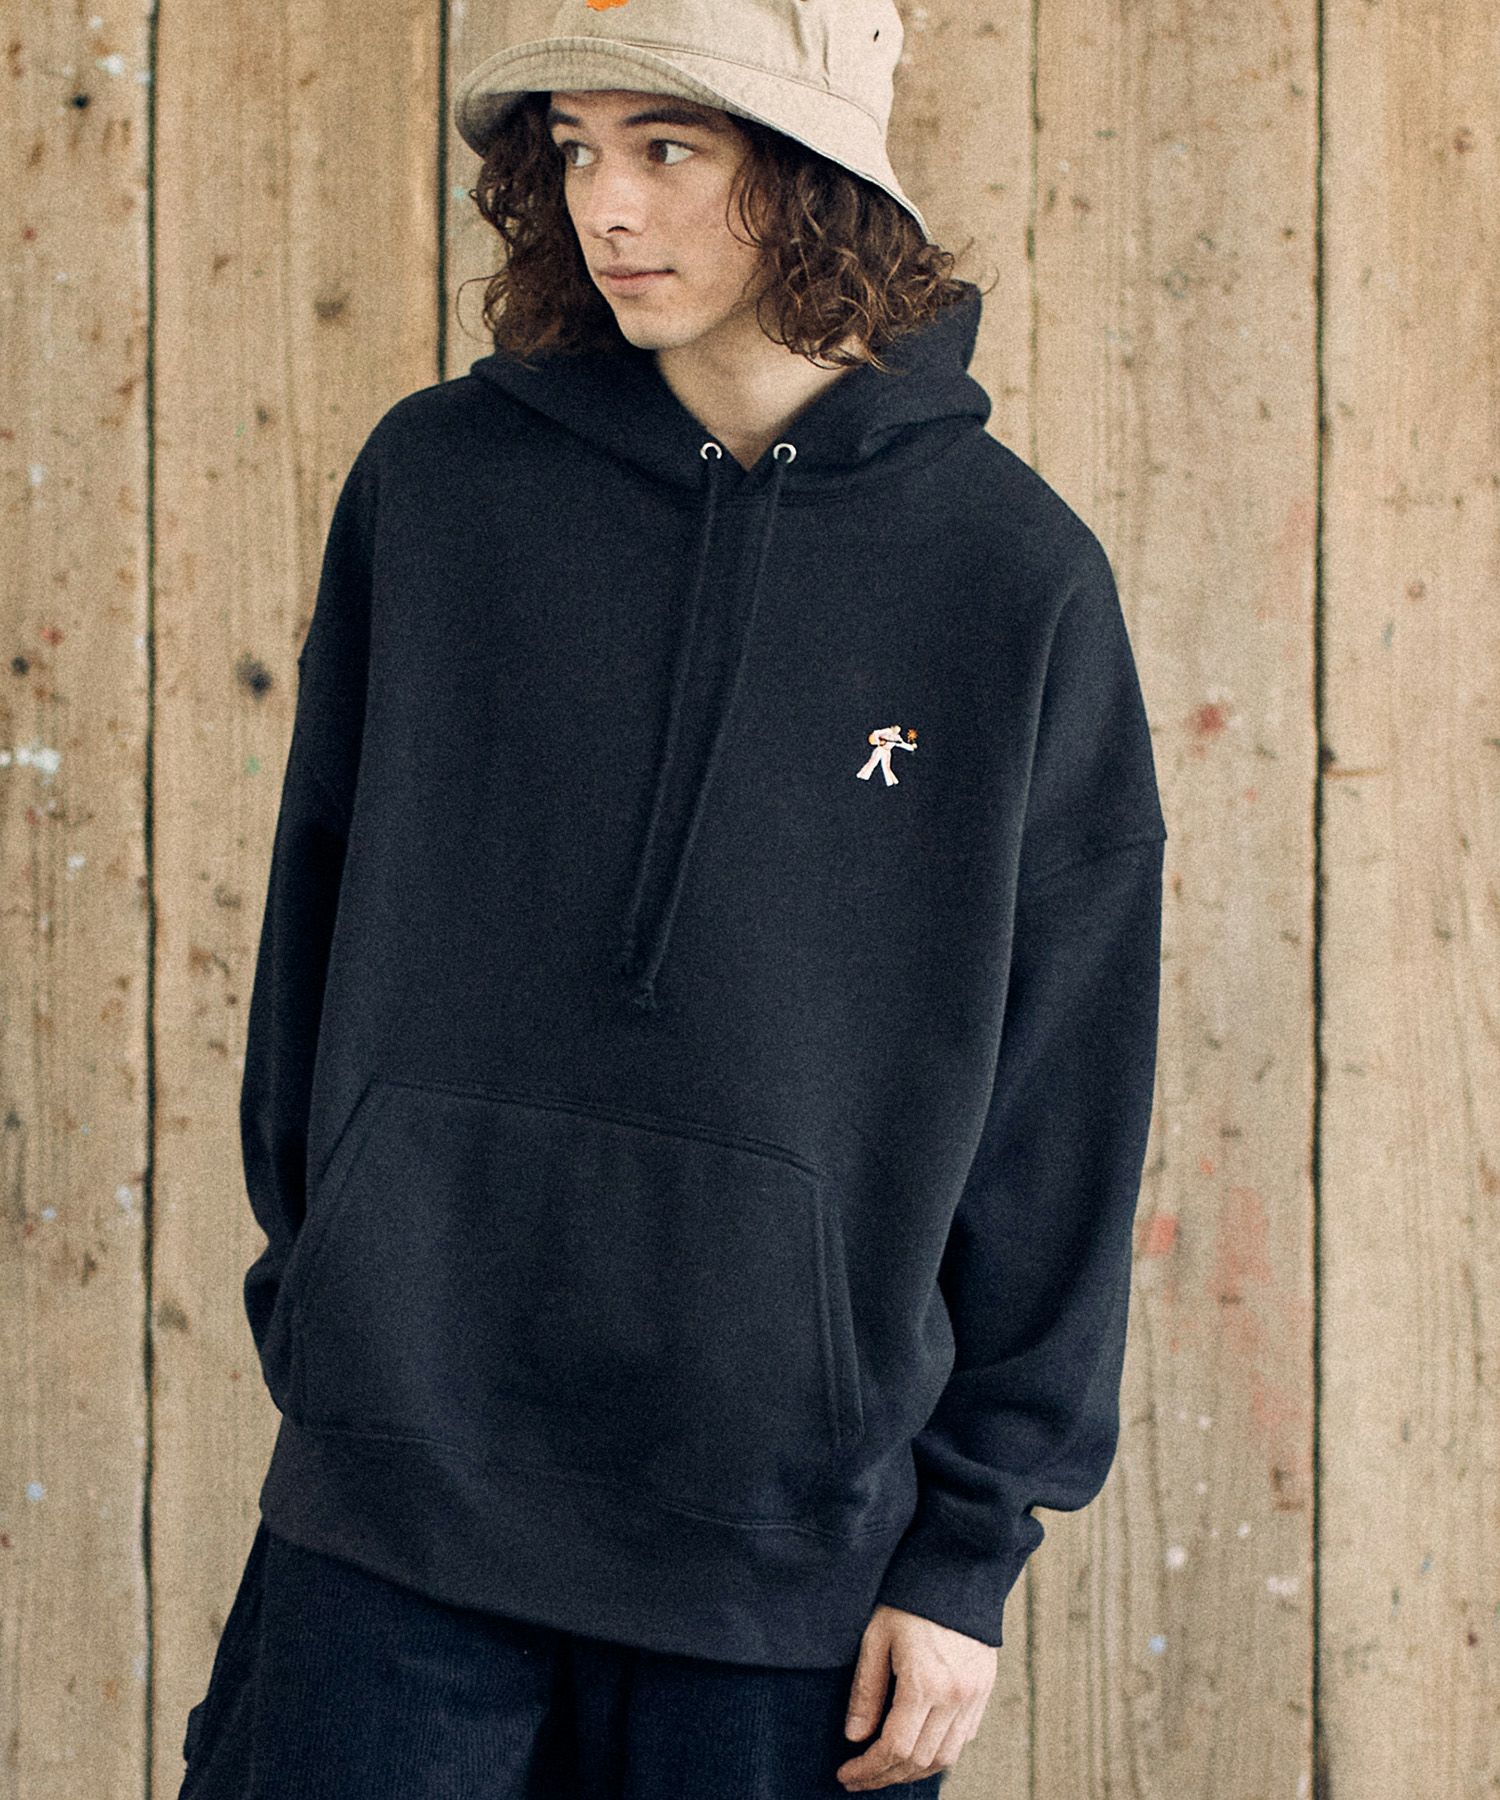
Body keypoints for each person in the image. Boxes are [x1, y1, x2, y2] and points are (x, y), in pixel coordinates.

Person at [178, 2, 1168, 1795]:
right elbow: (311, 926)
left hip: (782, 1557)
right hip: (399, 1492)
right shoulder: (440, 490)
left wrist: (968, 1551)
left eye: (668, 148)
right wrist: (335, 1311)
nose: (605, 207)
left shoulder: (1011, 579)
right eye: (573, 149)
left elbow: (1062, 1100)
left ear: (816, 178)